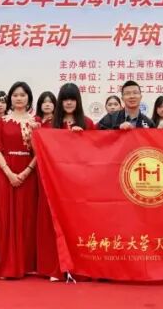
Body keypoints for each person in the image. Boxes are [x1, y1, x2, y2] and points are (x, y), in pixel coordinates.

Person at [37, 83, 96, 281]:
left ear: (78, 101)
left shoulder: (87, 123)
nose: (69, 103)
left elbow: (95, 153)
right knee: (54, 224)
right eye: (65, 99)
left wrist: (82, 138)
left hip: (78, 184)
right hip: (54, 183)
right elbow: (39, 152)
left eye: (72, 99)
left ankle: (81, 266)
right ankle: (56, 268)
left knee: (77, 224)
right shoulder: (49, 125)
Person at [0, 82, 40, 279]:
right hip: (5, 172)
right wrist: (9, 173)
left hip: (29, 172)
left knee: (26, 217)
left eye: (22, 95)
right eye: (15, 95)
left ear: (29, 98)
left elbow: (41, 152)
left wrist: (26, 171)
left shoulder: (36, 122)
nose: (19, 98)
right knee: (6, 218)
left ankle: (27, 264)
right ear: (10, 99)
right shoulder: (2, 121)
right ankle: (8, 265)